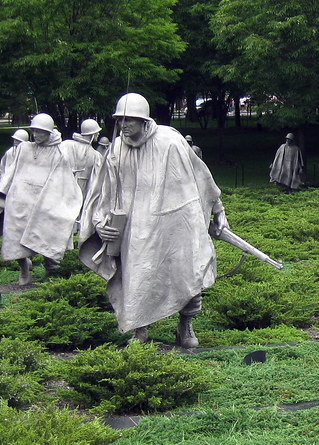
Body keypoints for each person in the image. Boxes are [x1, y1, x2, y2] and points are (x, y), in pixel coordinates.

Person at [79, 93, 227, 348]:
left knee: (187, 272)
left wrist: (218, 209)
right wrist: (101, 221)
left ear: (144, 120)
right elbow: (103, 189)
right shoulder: (116, 148)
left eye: (130, 120)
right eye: (120, 120)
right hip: (135, 226)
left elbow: (200, 176)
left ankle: (185, 325)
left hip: (174, 222)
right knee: (136, 276)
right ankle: (140, 330)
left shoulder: (170, 142)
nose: (124, 125)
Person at [0, 113, 82, 284]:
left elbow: (63, 180)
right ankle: (24, 269)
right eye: (34, 131)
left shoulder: (58, 154)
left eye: (41, 132)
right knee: (14, 239)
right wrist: (1, 193)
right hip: (18, 202)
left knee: (45, 235)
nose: (36, 135)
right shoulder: (24, 149)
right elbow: (11, 171)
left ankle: (51, 266)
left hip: (42, 203)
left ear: (49, 132)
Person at [60, 119, 102, 195]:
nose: (98, 134)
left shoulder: (66, 144)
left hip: (77, 190)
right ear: (92, 134)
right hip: (69, 188)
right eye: (97, 132)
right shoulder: (96, 156)